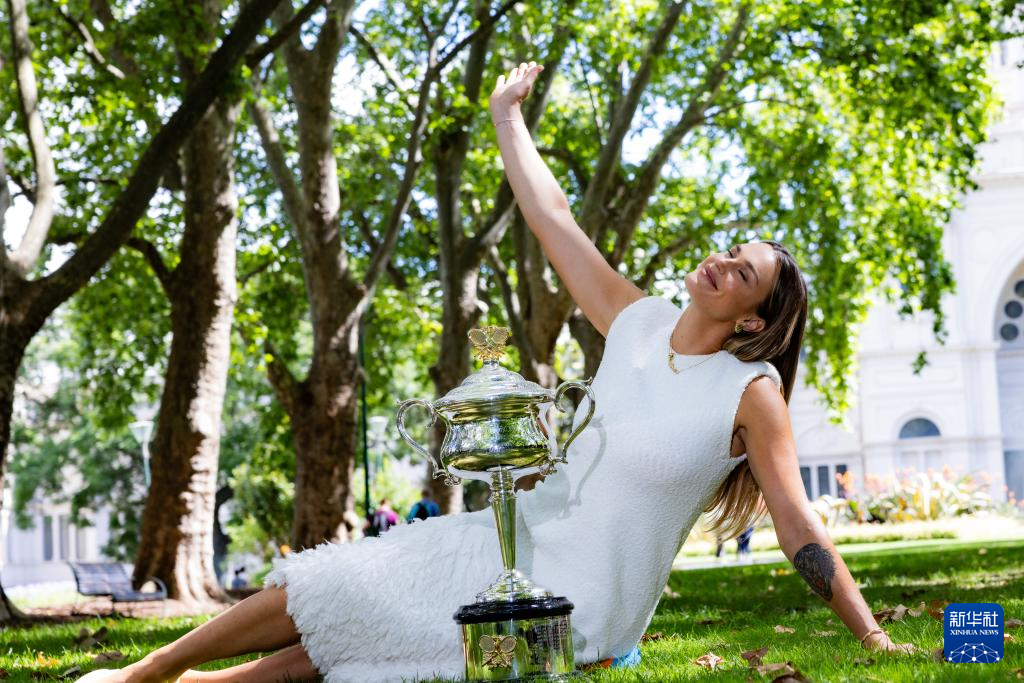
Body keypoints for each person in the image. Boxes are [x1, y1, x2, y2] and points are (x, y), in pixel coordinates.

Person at [80, 61, 912, 683]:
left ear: (754, 320)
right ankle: (151, 674)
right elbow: (554, 220)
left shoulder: (749, 394)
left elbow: (798, 525)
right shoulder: (638, 320)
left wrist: (871, 634)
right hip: (508, 535)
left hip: (583, 599)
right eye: (730, 250)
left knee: (391, 635)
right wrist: (506, 117)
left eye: (743, 272)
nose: (722, 262)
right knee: (341, 585)